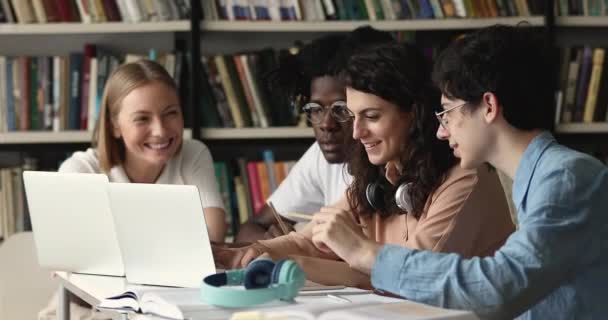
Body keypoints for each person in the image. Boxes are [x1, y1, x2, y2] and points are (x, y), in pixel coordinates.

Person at [310, 25, 608, 319]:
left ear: (489, 106)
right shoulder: (544, 177)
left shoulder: (566, 178)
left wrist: (366, 254)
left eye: (447, 112)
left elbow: (498, 287)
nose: (440, 132)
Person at [215, 42, 515, 288]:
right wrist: (249, 254)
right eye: (354, 116)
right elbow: (308, 240)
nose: (356, 133)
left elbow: (411, 279)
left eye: (371, 117)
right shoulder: (378, 174)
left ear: (414, 113)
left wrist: (296, 266)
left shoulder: (464, 180)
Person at [235, 27, 394, 243]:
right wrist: (270, 241)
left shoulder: (395, 166)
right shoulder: (322, 157)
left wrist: (288, 248)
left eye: (342, 109)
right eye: (316, 109)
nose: (326, 125)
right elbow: (253, 226)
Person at [59, 60, 227, 243]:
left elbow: (214, 238)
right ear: (114, 126)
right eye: (142, 119)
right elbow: (71, 249)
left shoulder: (193, 154)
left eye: (170, 113)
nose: (160, 131)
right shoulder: (80, 171)